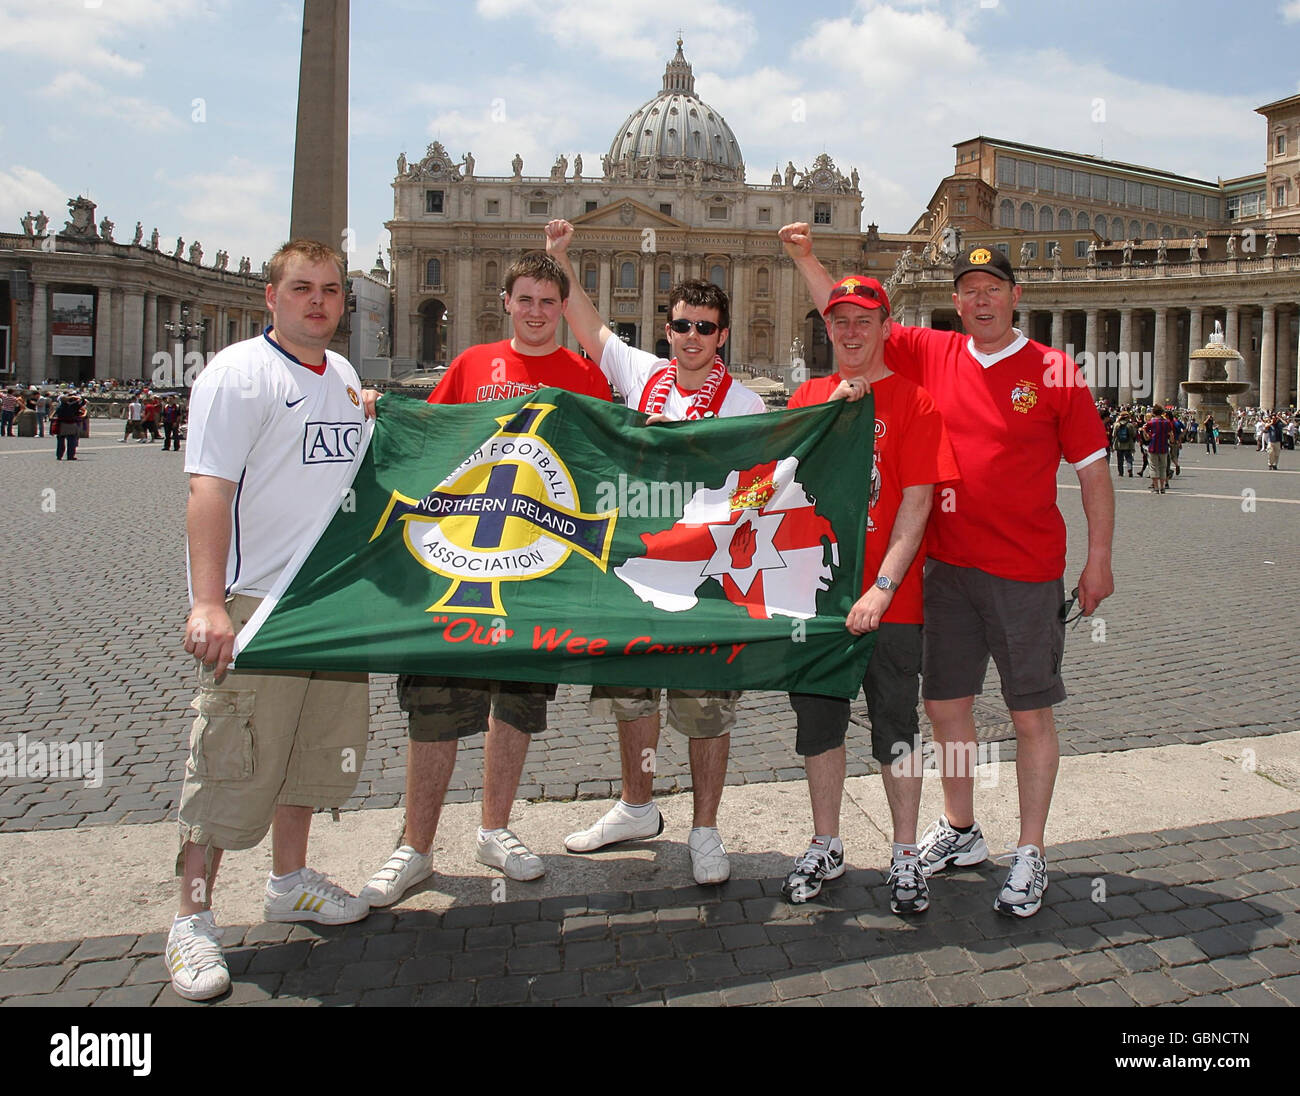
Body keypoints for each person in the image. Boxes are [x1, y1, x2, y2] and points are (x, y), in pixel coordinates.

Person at [781, 223, 1114, 918]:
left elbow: (1092, 473)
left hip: (1025, 570)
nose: (982, 301)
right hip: (947, 569)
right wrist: (807, 258)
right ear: (955, 303)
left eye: (994, 289)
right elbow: (850, 316)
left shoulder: (1056, 370)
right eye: (970, 291)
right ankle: (961, 828)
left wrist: (1099, 558)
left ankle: (1031, 851)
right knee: (947, 710)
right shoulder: (936, 352)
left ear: (1015, 297)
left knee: (1029, 715)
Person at [359, 251, 612, 907]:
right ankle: (415, 845)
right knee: (436, 704)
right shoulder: (472, 365)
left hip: (538, 565)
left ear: (564, 309)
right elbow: (426, 442)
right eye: (524, 299)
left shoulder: (585, 377)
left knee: (519, 703)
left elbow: (610, 460)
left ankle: (495, 828)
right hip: (459, 561)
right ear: (506, 302)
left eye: (548, 302)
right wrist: (378, 411)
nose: (535, 312)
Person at [168, 239, 372, 1001]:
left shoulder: (346, 376)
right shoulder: (237, 376)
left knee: (311, 752)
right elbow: (208, 492)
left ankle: (289, 879)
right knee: (230, 755)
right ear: (271, 297)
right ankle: (191, 918)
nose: (318, 301)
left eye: (329, 290)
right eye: (301, 288)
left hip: (330, 601)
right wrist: (209, 599)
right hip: (257, 600)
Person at [545, 217, 766, 885]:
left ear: (721, 335)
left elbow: (770, 486)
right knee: (634, 698)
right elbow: (588, 327)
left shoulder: (748, 403)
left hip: (705, 579)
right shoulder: (644, 376)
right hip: (637, 571)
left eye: (704, 327)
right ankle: (637, 807)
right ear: (666, 330)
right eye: (682, 325)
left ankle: (704, 828)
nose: (692, 337)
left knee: (705, 708)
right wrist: (560, 258)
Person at [780, 273, 959, 913]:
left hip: (895, 600)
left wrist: (883, 586)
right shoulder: (806, 396)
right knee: (819, 726)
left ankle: (906, 851)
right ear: (827, 328)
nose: (851, 332)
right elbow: (775, 490)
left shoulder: (916, 402)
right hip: (820, 598)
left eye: (864, 320)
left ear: (886, 327)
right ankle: (827, 841)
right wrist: (833, 412)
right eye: (840, 321)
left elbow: (916, 506)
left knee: (897, 728)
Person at [1142, 407, 1173, 493]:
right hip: (1164, 447)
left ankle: (1156, 488)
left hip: (1153, 447)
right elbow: (1171, 435)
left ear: (1154, 413)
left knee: (1153, 467)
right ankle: (1162, 487)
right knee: (1163, 467)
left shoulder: (1151, 422)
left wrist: (1145, 433)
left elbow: (1146, 436)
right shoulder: (1167, 422)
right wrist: (1172, 441)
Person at [52, 390, 86, 460]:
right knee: (71, 442)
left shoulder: (59, 407)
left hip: (61, 425)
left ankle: (59, 455)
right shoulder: (73, 406)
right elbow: (83, 401)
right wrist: (76, 397)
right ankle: (70, 456)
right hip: (71, 425)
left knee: (60, 442)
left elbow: (55, 414)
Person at [1110, 412, 1136, 477]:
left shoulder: (1117, 425)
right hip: (1128, 445)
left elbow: (1113, 435)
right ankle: (1130, 470)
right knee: (1128, 459)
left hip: (1119, 445)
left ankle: (1120, 472)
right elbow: (1133, 434)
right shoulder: (1130, 425)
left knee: (1120, 460)